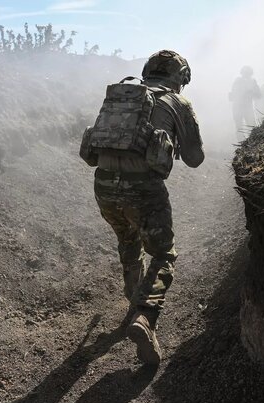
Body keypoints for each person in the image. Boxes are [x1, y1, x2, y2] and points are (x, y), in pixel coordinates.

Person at [80, 50, 204, 364]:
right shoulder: (177, 102)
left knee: (128, 239)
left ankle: (132, 293)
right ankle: (145, 317)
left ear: (147, 70)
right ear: (180, 77)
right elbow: (195, 158)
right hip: (144, 190)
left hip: (104, 184)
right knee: (163, 254)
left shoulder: (123, 95)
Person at [229, 65, 261, 141]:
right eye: (245, 73)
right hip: (239, 107)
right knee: (240, 127)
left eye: (248, 73)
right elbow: (234, 94)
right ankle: (243, 144)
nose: (246, 74)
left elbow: (258, 95)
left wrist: (251, 92)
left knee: (250, 126)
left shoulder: (252, 81)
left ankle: (252, 141)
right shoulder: (238, 81)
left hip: (245, 107)